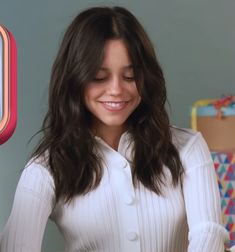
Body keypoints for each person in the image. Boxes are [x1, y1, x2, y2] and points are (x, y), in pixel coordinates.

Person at [0, 6, 229, 252]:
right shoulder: (45, 169)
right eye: (99, 77)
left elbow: (208, 232)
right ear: (75, 80)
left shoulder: (187, 148)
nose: (116, 90)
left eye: (130, 77)